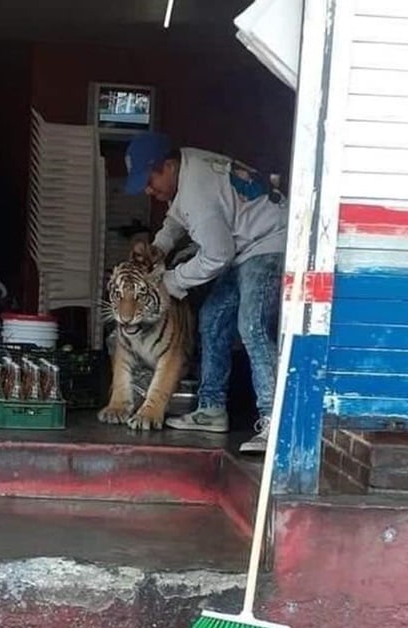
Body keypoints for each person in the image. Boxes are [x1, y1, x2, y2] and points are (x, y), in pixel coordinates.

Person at [123, 132, 288, 454]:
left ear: (168, 166)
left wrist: (170, 282)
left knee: (251, 326)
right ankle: (211, 409)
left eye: (150, 179)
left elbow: (217, 254)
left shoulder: (197, 191)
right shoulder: (188, 164)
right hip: (244, 246)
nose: (147, 189)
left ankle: (275, 422)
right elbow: (176, 217)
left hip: (269, 244)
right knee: (213, 319)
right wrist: (160, 246)